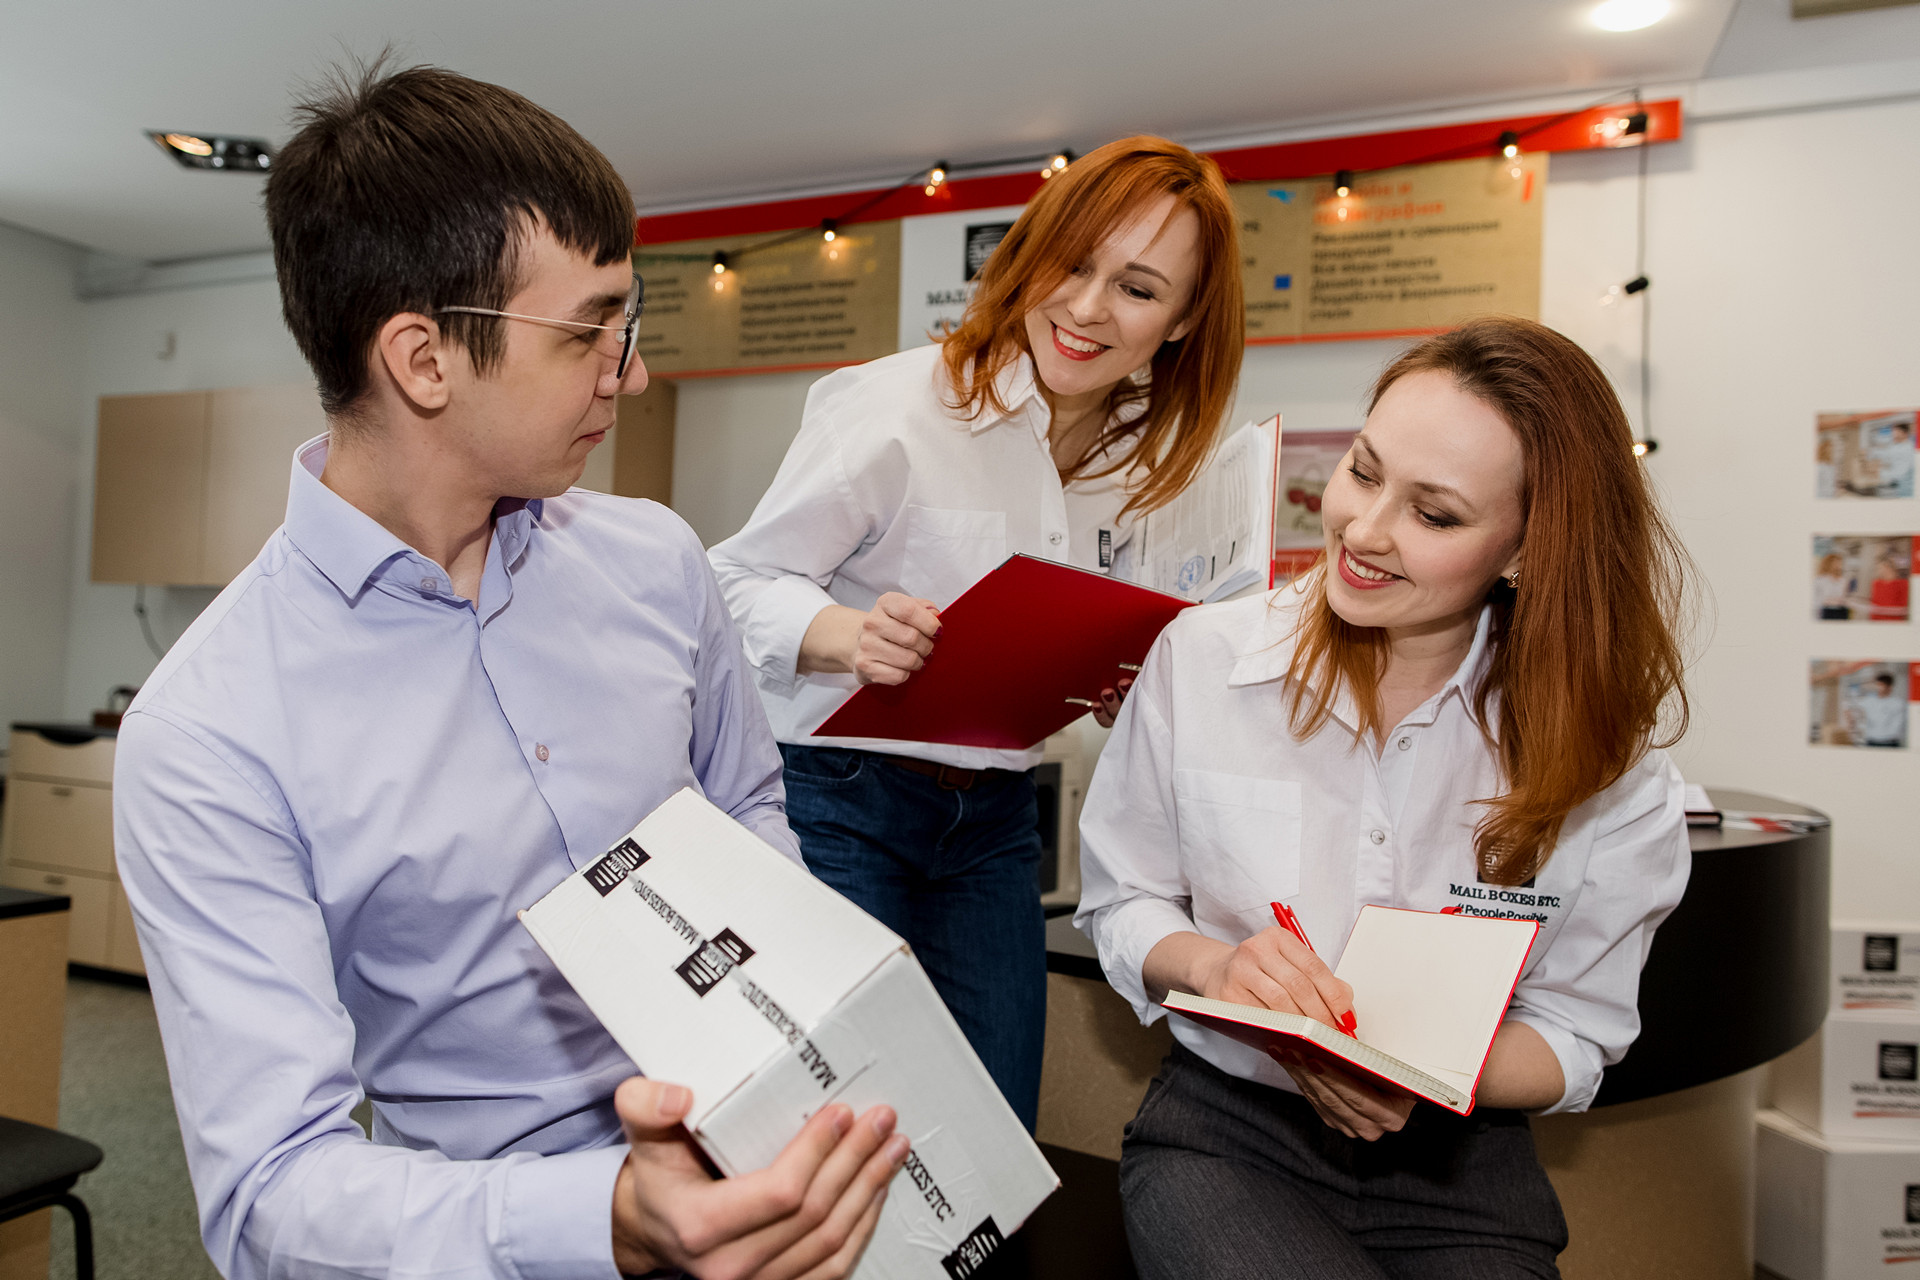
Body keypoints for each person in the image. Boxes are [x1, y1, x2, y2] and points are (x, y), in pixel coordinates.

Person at [113, 63, 905, 1280]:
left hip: (778, 1167)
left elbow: (745, 804)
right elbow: (272, 1190)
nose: (628, 371)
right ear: (423, 360)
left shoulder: (657, 560)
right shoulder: (211, 728)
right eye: (589, 329)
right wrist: (608, 1219)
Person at [1076, 315, 1693, 1278]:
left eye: (1434, 515)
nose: (1363, 532)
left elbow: (1576, 1034)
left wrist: (1413, 1064)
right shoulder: (1204, 660)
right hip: (1230, 1138)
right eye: (1363, 472)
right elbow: (1123, 901)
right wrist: (1213, 968)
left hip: (1463, 1164)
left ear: (1529, 546)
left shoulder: (1605, 764)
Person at [707, 136, 1245, 1129]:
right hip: (839, 798)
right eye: (1071, 263)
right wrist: (841, 631)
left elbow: (1091, 643)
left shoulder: (1145, 466)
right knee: (843, 1120)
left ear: (1179, 324)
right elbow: (732, 579)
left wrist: (1120, 673)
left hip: (999, 819)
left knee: (989, 1128)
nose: (1085, 308)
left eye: (1135, 288)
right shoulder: (897, 404)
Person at [1853, 671, 1907, 747]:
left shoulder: (1898, 703)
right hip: (1871, 742)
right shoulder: (1868, 701)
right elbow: (1852, 707)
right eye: (1877, 685)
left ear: (1889, 687)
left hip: (1890, 743)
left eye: (1881, 685)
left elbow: (1898, 725)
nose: (1878, 688)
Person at [1868, 549, 1910, 622]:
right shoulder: (1876, 583)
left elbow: (1904, 606)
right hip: (1877, 621)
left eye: (1880, 568)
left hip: (1894, 622)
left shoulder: (1903, 583)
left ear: (1888, 567)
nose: (1879, 571)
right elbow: (1874, 604)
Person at [1815, 550, 1851, 620]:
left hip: (1842, 611)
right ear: (1828, 564)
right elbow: (1816, 599)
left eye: (1840, 563)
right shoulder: (1820, 580)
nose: (1839, 565)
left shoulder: (1843, 580)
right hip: (1827, 611)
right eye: (1836, 563)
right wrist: (1831, 601)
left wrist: (1846, 601)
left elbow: (1844, 597)